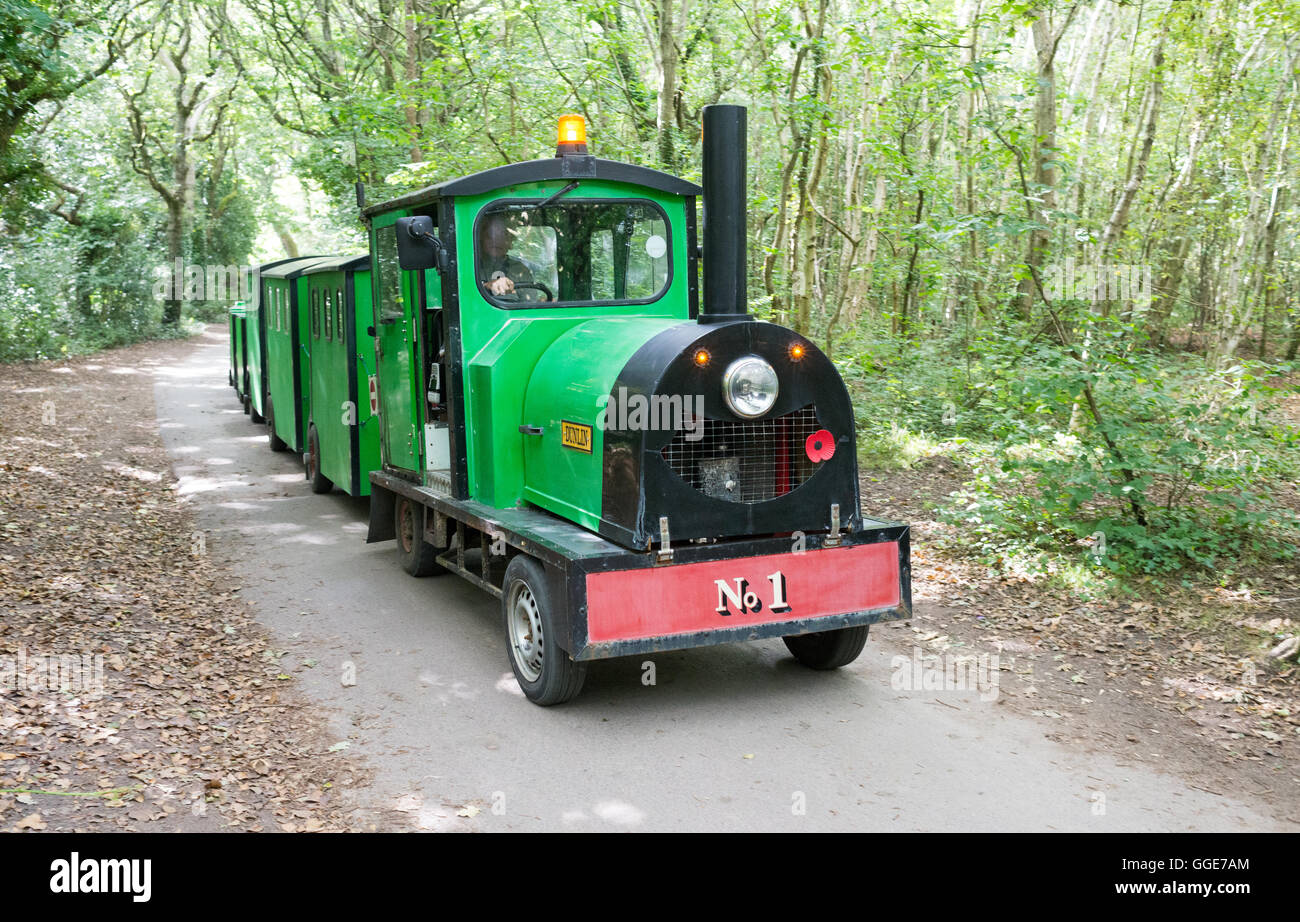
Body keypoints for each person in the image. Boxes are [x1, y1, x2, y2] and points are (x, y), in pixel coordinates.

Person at [477, 213, 536, 297]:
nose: (497, 240)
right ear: (480, 238)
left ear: (510, 241)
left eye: (504, 235)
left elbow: (530, 305)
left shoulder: (520, 270)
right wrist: (485, 286)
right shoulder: (467, 267)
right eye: (490, 235)